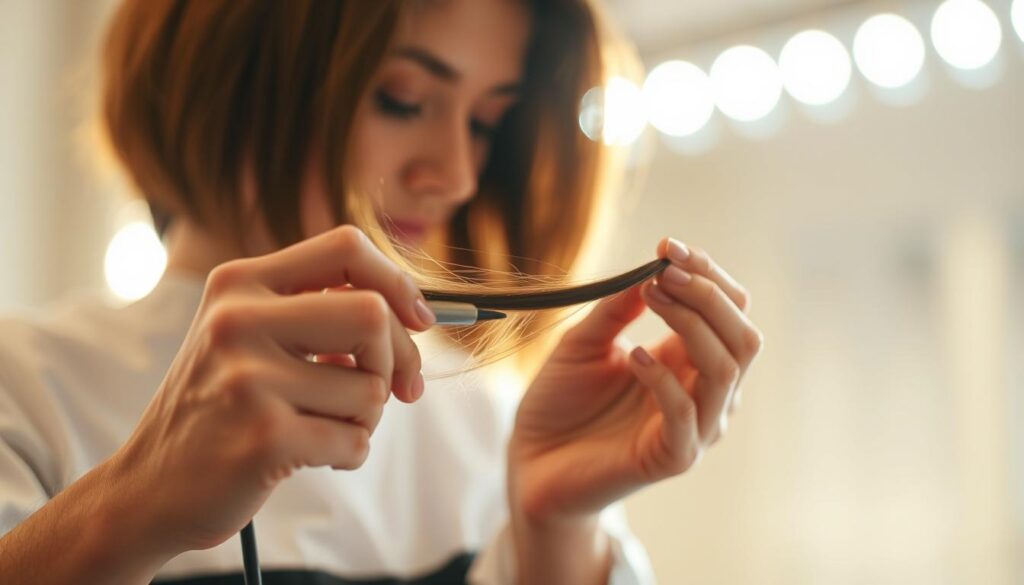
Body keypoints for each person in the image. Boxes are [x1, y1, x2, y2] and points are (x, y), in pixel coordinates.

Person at [0, 0, 764, 583]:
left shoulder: (498, 431)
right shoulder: (27, 385)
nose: (457, 173)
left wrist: (554, 525)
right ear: (235, 67)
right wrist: (130, 508)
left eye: (486, 123)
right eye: (402, 98)